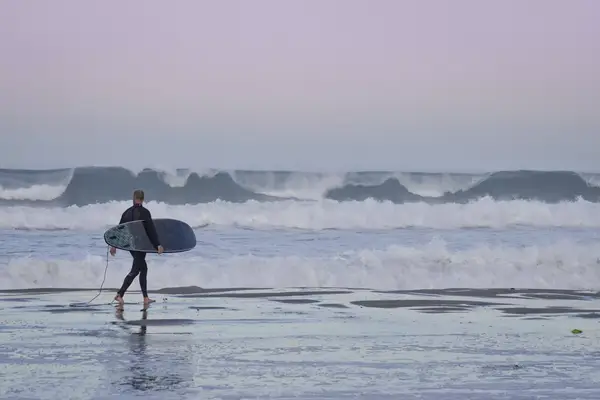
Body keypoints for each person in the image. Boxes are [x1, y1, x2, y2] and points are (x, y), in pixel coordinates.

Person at [110, 189, 164, 307]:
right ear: (143, 199)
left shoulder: (127, 213)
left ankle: (144, 297)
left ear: (134, 198)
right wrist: (157, 245)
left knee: (141, 268)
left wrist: (114, 245)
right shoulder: (145, 212)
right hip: (140, 245)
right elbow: (150, 230)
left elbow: (119, 230)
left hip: (131, 245)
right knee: (137, 270)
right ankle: (120, 294)